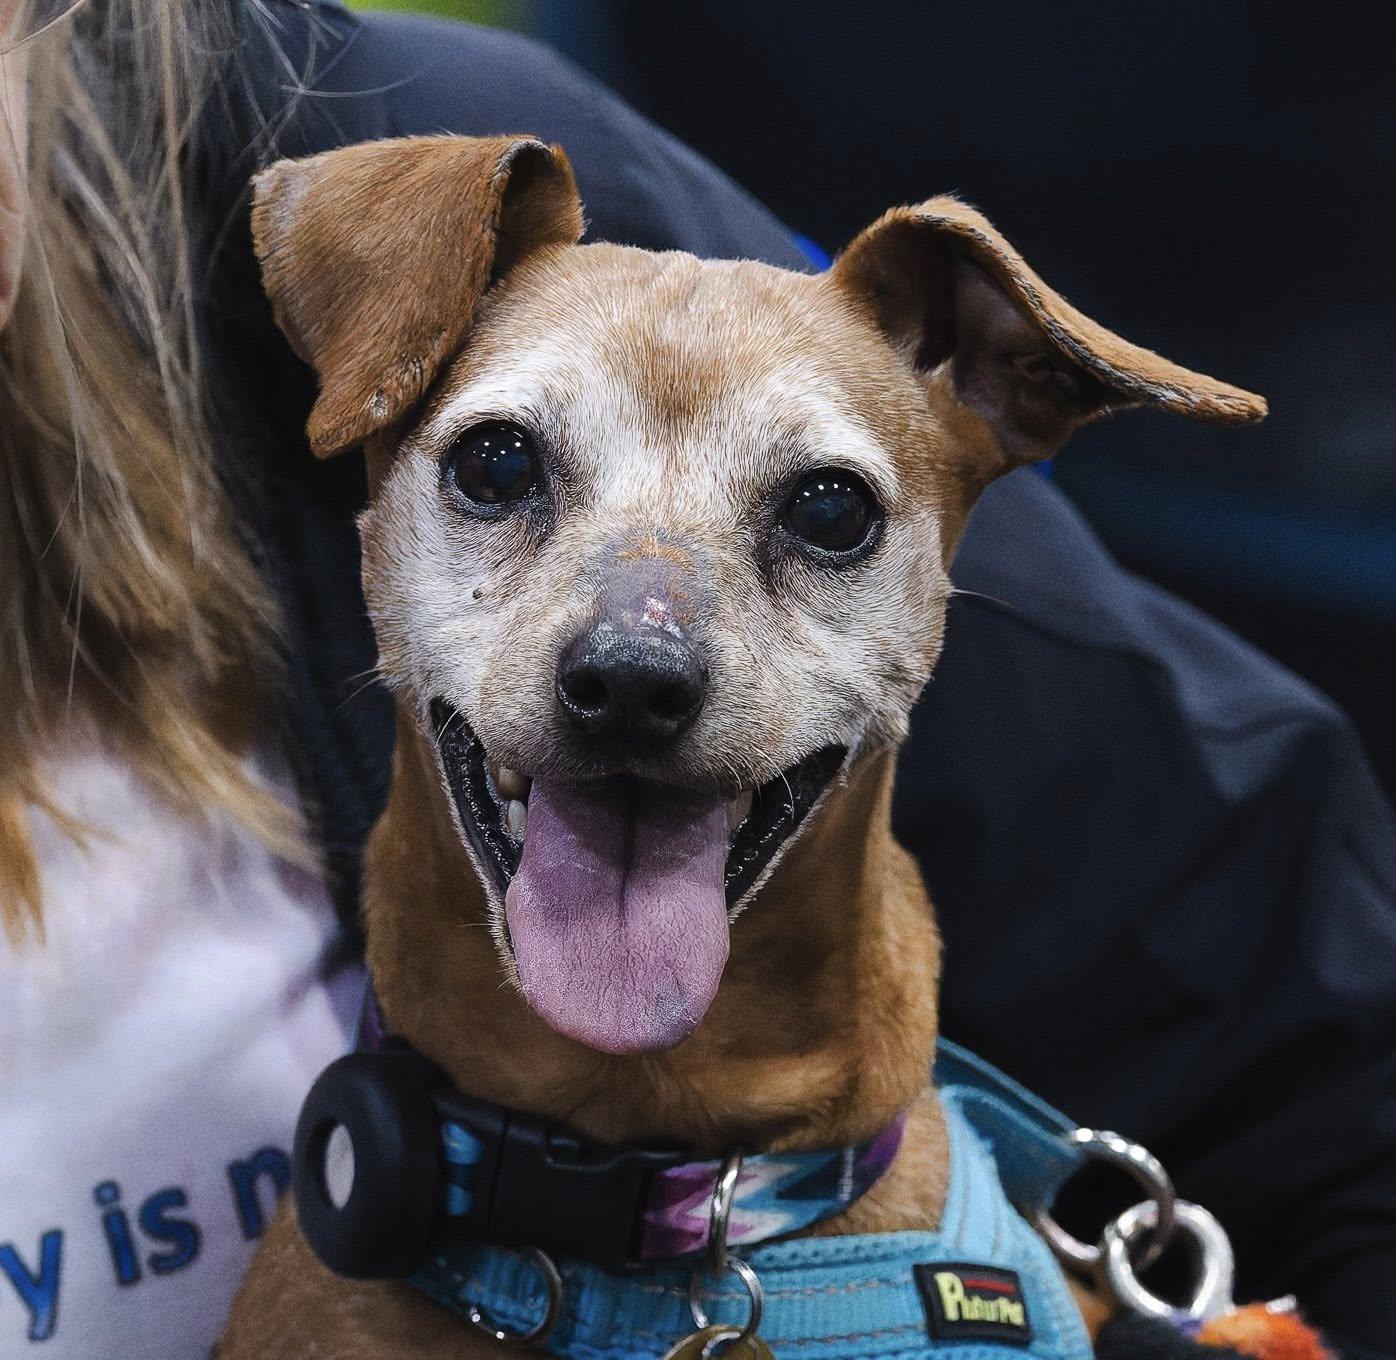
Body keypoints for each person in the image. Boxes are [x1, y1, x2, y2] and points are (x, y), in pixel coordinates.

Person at [0, 2, 1391, 1357]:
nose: (636, 652)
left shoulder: (324, 92)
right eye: (502, 472)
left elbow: (1305, 1010)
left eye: (825, 512)